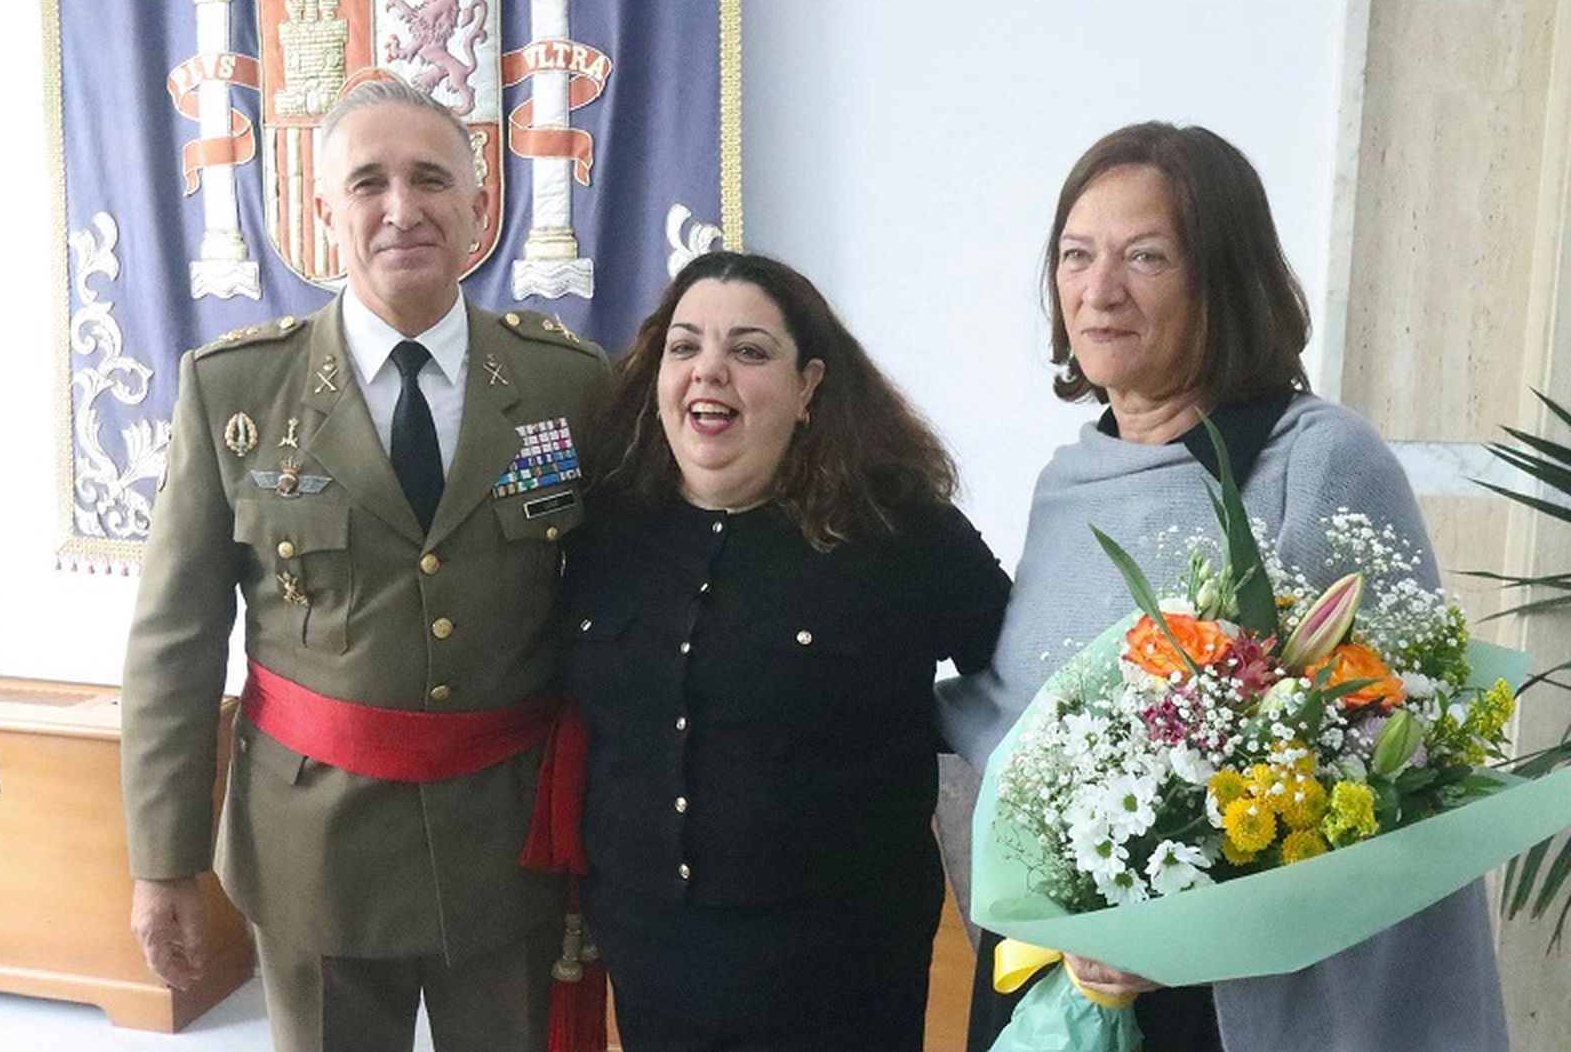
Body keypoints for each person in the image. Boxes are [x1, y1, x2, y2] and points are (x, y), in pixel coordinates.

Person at [938, 122, 1508, 1052]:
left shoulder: (1314, 461)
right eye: (1076, 257)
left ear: (1224, 279)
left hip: (1236, 1009)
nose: (1099, 289)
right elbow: (1026, 718)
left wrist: (1181, 927)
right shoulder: (1067, 483)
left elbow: (1402, 758)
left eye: (1145, 257)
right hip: (1061, 995)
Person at [120, 78, 608, 1052]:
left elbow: (619, 607)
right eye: (369, 182)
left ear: (481, 204)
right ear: (321, 211)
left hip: (508, 847)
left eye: (432, 178)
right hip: (314, 853)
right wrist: (163, 861)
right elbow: (176, 641)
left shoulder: (571, 383)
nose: (402, 208)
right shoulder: (237, 390)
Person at [559, 251, 1011, 1050]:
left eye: (749, 350)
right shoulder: (604, 531)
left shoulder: (901, 532)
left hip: (842, 971)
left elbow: (1016, 675)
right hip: (652, 960)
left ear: (808, 388)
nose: (710, 372)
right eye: (685, 347)